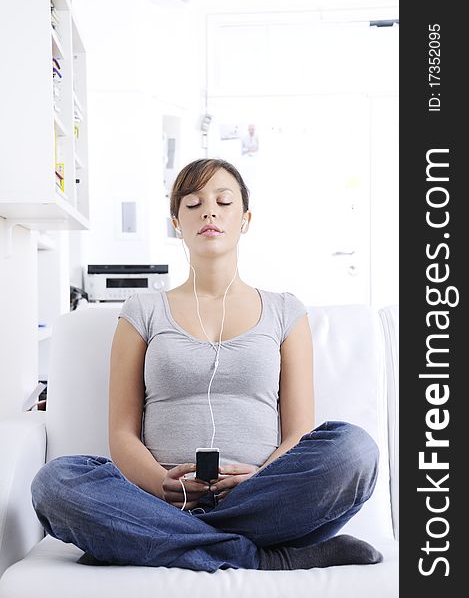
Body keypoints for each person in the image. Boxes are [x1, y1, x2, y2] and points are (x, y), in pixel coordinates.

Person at [31, 158, 383, 572]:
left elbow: (298, 433)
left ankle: (149, 541)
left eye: (223, 201)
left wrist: (255, 481)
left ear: (245, 219)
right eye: (193, 203)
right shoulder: (142, 310)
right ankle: (261, 557)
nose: (209, 212)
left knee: (355, 450)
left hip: (262, 500)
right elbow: (122, 433)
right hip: (158, 502)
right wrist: (165, 489)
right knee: (55, 483)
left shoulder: (286, 311)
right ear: (176, 222)